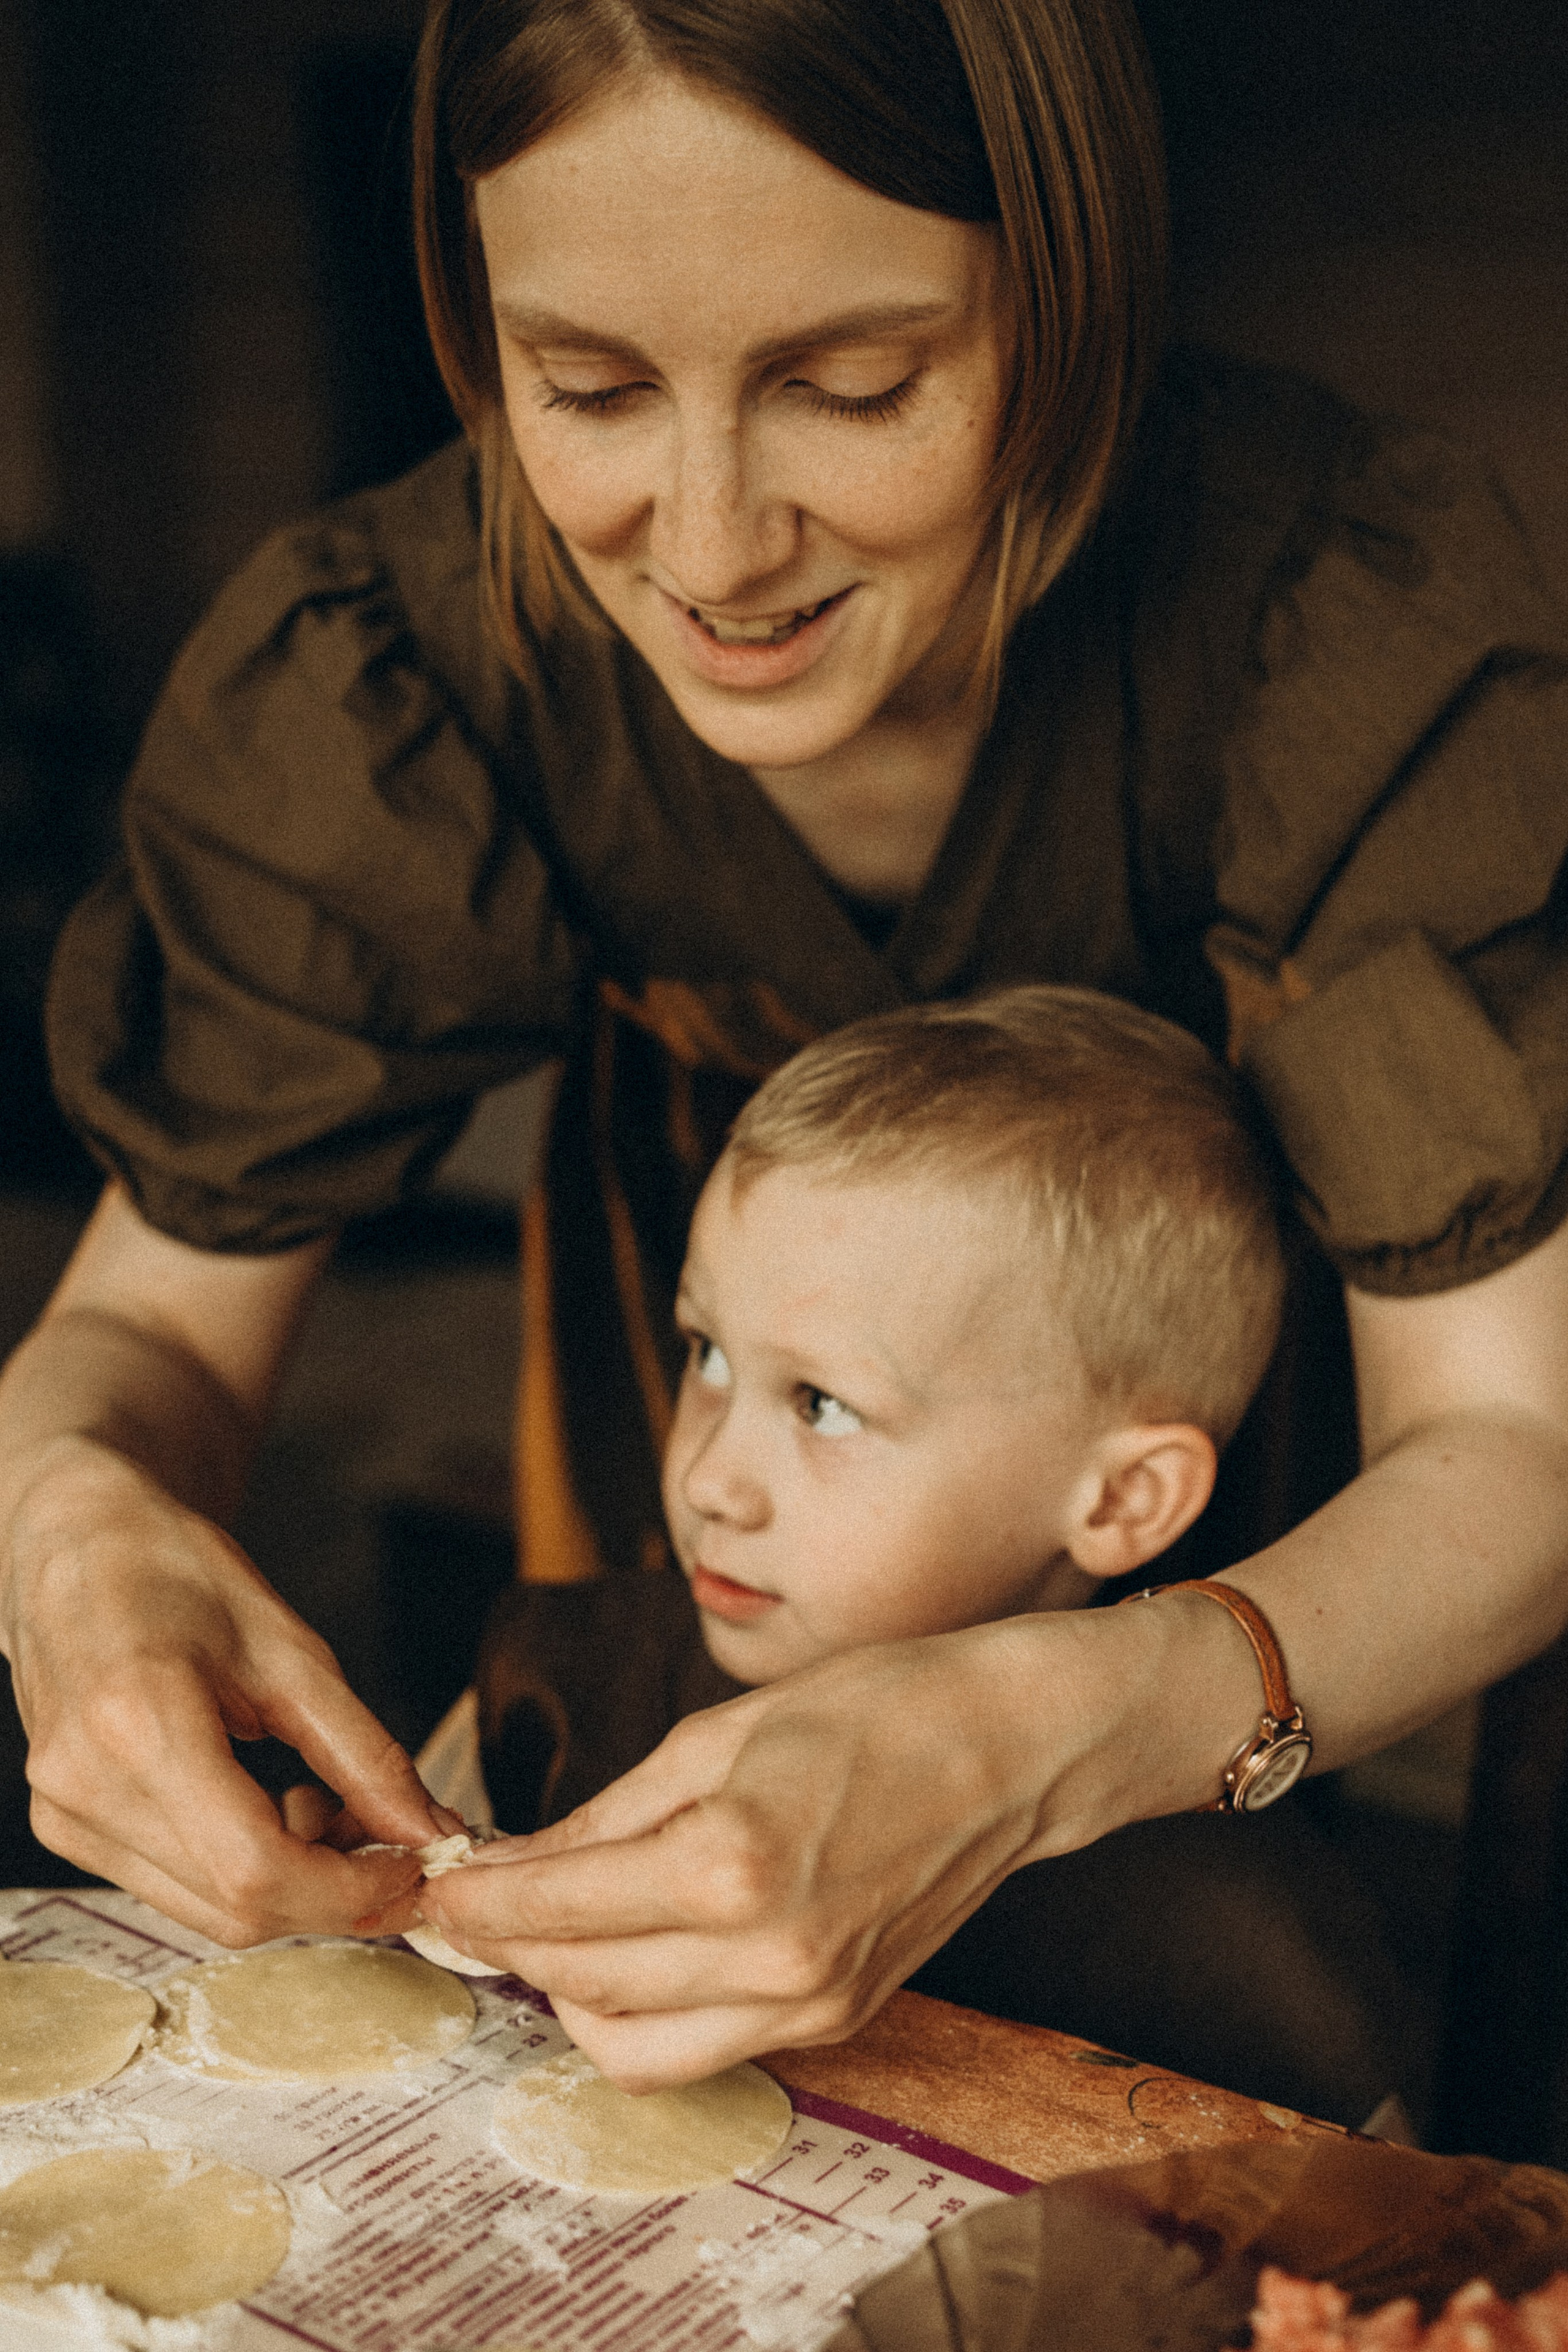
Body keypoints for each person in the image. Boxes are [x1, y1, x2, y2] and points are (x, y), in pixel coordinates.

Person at [2, 0, 1566, 2119]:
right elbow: (153, 1333)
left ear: (1070, 298)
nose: (715, 550)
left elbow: (1508, 1456)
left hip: (1242, 1524)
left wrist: (1035, 1728)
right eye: (586, 387)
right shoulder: (397, 663)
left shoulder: (1331, 622)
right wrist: (71, 1528)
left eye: (856, 386)